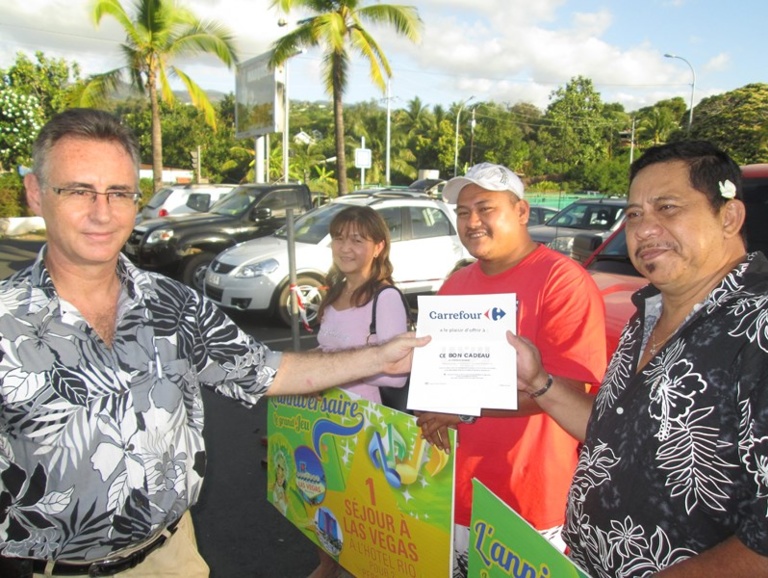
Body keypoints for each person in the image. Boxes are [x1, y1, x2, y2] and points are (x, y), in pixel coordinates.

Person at [0, 108, 427, 578]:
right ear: (37, 194)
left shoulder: (175, 304)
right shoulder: (7, 320)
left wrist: (381, 354)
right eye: (79, 190)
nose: (102, 211)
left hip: (173, 558)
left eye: (118, 192)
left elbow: (266, 369)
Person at [510, 140, 768, 577]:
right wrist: (540, 382)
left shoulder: (759, 329)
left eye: (667, 208)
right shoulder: (647, 313)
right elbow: (615, 432)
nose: (643, 229)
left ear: (729, 217)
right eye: (633, 214)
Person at [415, 162, 607, 577]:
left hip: (528, 501)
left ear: (522, 212)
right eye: (463, 212)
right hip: (454, 491)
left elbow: (569, 390)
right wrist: (428, 403)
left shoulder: (562, 281)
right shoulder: (455, 284)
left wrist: (461, 409)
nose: (472, 221)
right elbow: (441, 380)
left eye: (485, 208)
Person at [308, 205, 409, 578]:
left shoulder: (385, 299)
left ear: (378, 246)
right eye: (338, 237)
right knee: (321, 498)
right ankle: (326, 565)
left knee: (363, 515)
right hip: (323, 422)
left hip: (364, 430)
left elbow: (397, 377)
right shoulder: (334, 292)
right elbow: (326, 351)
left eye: (357, 239)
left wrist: (333, 374)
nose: (345, 247)